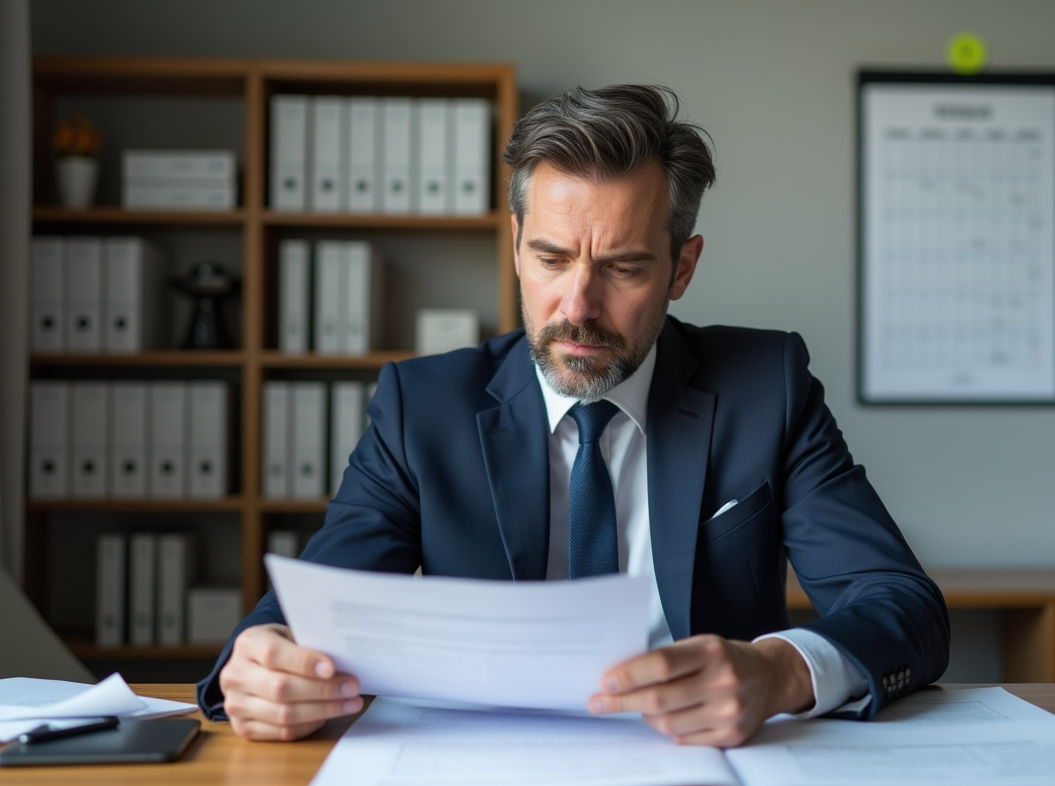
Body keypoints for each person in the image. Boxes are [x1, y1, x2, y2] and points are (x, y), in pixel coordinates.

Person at [197, 84, 949, 746]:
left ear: (682, 267)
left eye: (624, 267)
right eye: (552, 259)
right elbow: (303, 613)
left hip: (705, 766)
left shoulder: (767, 388)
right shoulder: (420, 408)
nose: (578, 307)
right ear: (516, 245)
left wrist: (778, 671)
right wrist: (259, 665)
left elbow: (901, 602)